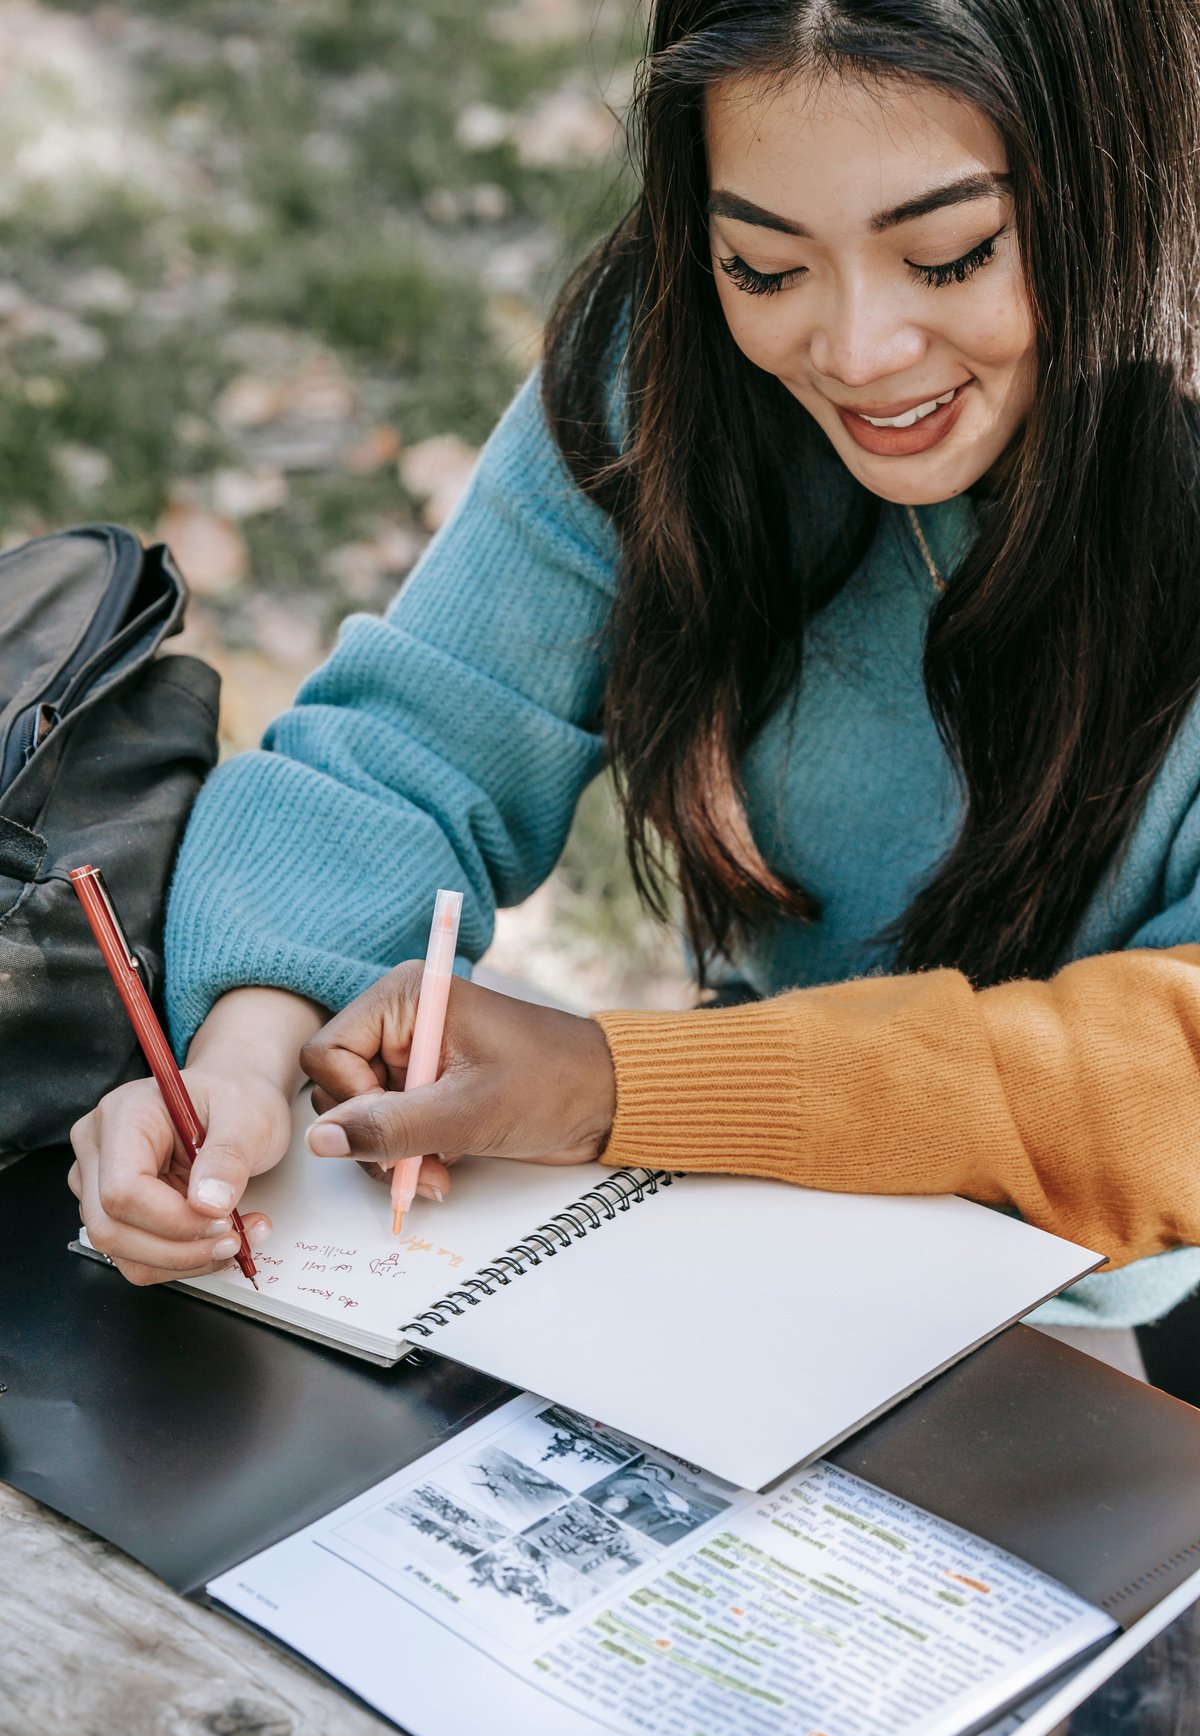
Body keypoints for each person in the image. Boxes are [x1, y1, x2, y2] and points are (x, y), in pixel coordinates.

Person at [71, 0, 1200, 1359]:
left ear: (1121, 175)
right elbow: (416, 743)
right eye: (764, 265)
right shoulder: (673, 371)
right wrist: (241, 1068)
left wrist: (622, 1088)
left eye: (949, 256)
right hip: (738, 1217)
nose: (856, 352)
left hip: (1082, 1296)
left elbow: (1165, 1072)